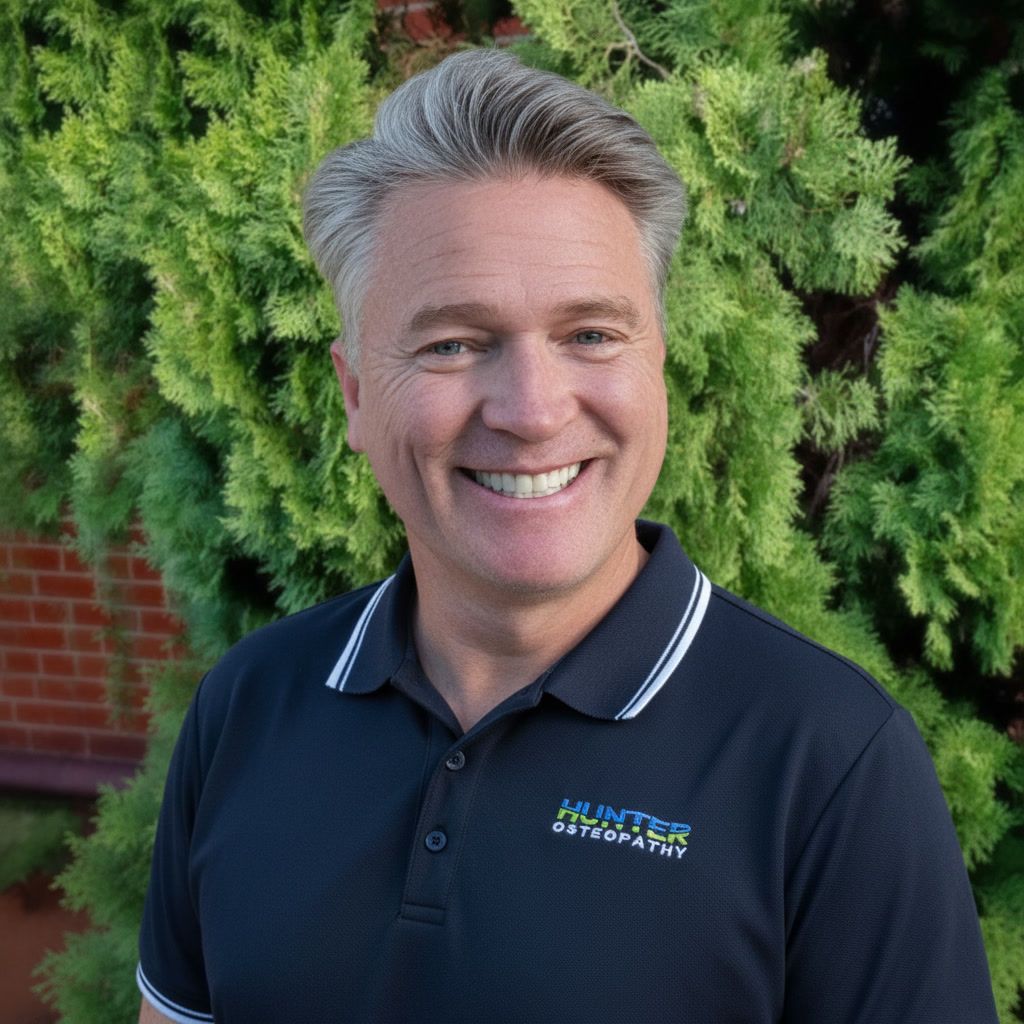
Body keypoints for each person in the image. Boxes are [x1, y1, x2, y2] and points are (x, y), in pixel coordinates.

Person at [137, 49, 998, 1023]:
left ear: (656, 365)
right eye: (453, 343)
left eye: (590, 334)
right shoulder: (248, 706)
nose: (533, 410)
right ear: (356, 393)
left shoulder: (830, 761)